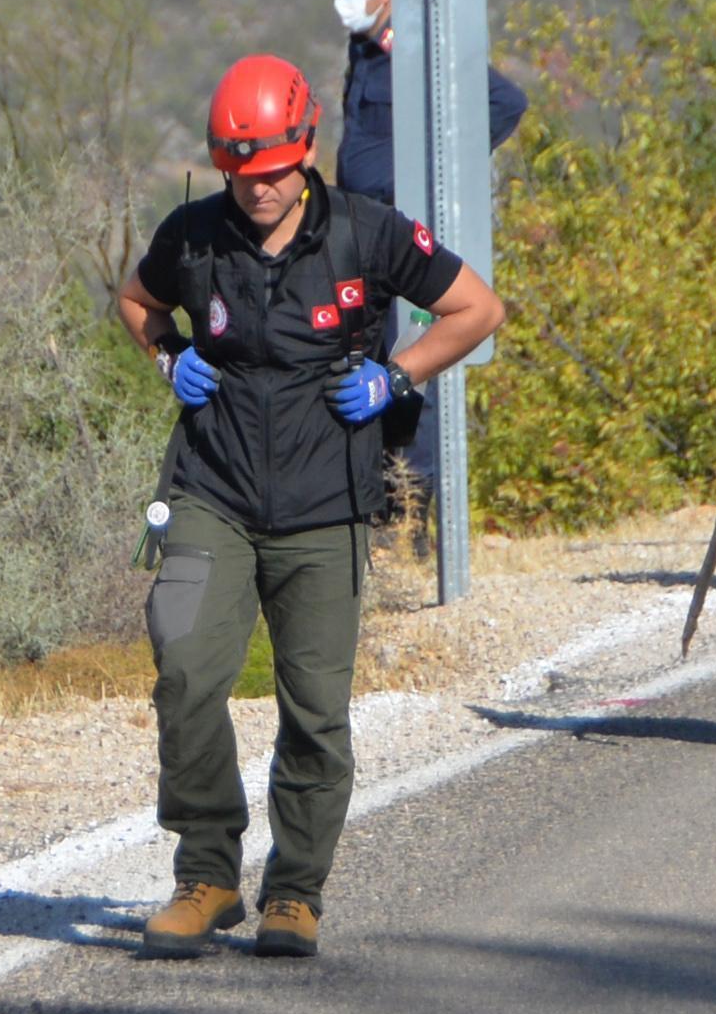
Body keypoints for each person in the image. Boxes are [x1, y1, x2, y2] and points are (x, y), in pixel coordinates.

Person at [117, 54, 505, 958]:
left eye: (274, 169)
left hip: (325, 503)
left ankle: (294, 892)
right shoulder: (194, 236)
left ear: (307, 147)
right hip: (210, 492)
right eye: (240, 171)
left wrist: (394, 376)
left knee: (316, 709)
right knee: (185, 670)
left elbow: (477, 310)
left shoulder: (367, 233)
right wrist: (170, 357)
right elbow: (137, 301)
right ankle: (207, 875)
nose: (259, 188)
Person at [323, 0, 528, 207]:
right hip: (360, 212)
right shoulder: (362, 50)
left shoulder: (421, 46)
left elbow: (507, 102)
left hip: (402, 213)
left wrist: (441, 167)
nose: (342, 0)